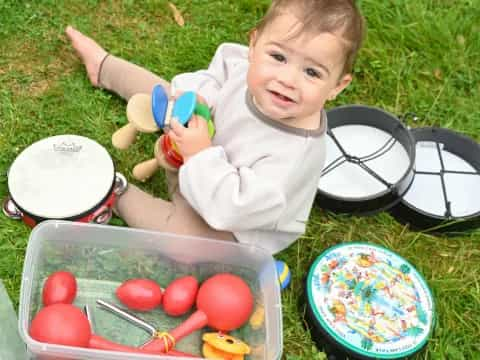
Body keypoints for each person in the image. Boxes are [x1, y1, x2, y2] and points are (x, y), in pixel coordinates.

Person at [66, 0, 365, 254]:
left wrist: (199, 154)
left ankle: (115, 193)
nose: (287, 79)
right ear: (253, 44)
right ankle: (105, 67)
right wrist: (200, 96)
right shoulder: (245, 66)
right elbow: (221, 67)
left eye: (312, 72)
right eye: (278, 56)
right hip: (194, 146)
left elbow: (231, 209)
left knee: (190, 246)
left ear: (337, 86)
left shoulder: (289, 160)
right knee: (169, 95)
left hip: (228, 217)